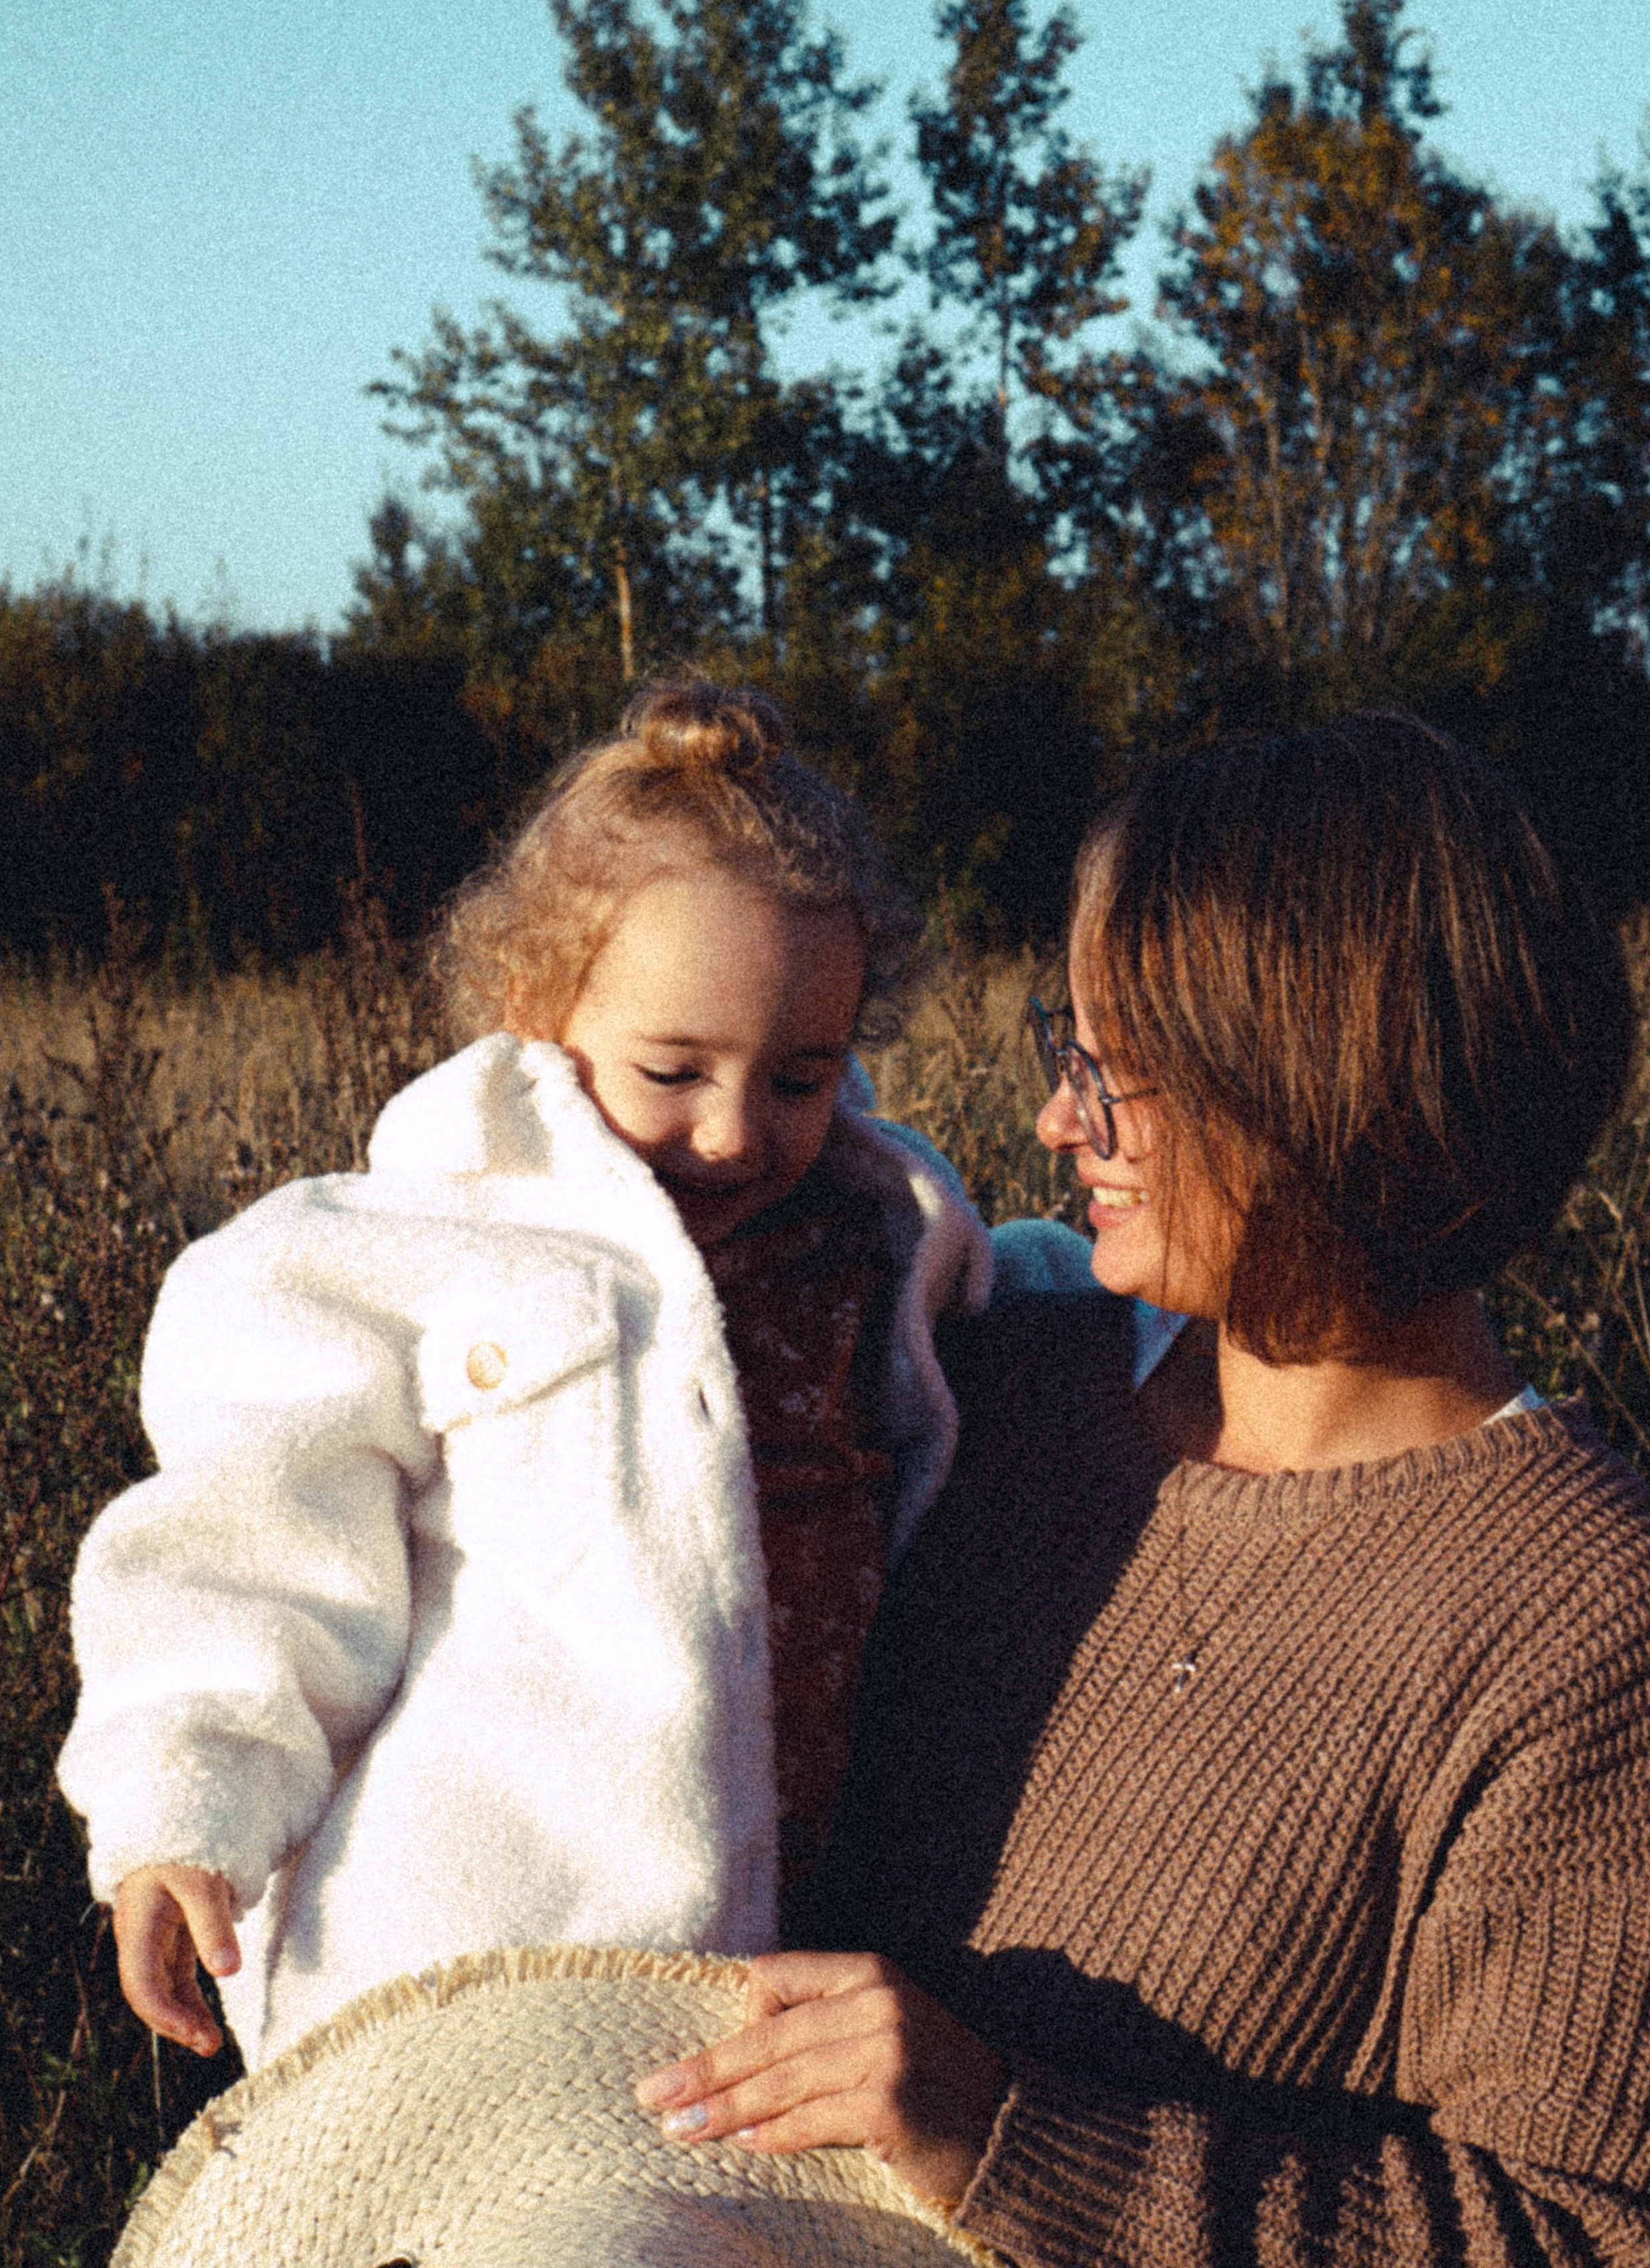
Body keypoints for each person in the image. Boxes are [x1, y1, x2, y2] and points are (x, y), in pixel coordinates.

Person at [632, 714, 1650, 2267]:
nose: (1055, 1123)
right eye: (1069, 1053)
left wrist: (1011, 2139)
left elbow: (1576, 2234)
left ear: (1320, 1092)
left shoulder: (1583, 1620)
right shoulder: (985, 1388)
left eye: (1117, 1075)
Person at [57, 682, 1006, 2072]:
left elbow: (1038, 1330)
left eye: (802, 1076)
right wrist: (183, 1814)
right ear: (537, 1008)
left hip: (804, 1955)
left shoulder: (885, 1236)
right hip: (473, 1956)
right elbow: (250, 1557)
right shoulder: (406, 1255)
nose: (736, 1131)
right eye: (673, 1069)